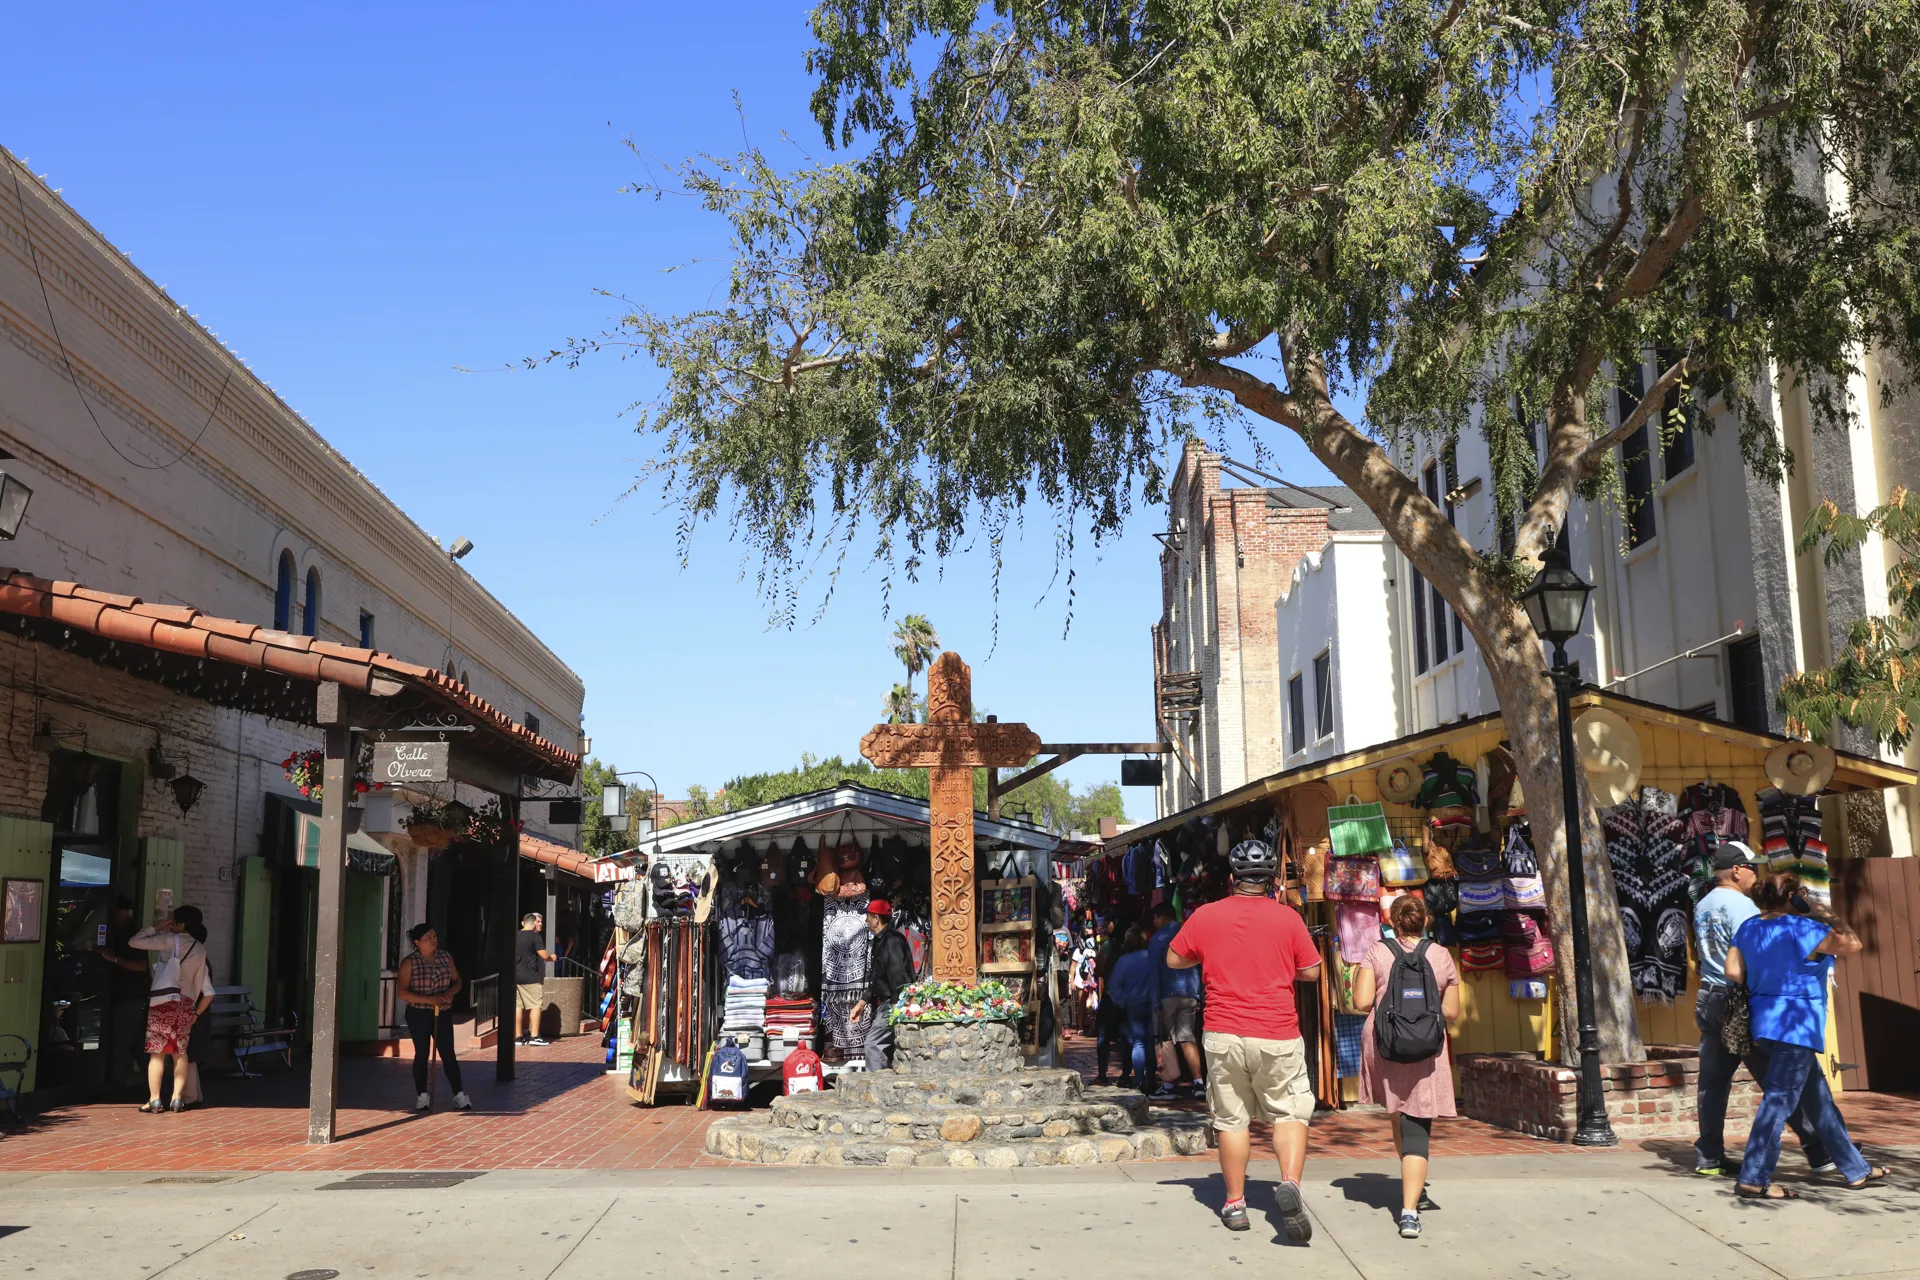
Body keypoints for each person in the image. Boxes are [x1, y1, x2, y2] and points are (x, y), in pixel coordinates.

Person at [1167, 839, 1323, 1242]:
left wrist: (1207, 955)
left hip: (1223, 1033)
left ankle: (1235, 1203)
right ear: (1272, 880)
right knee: (1289, 1113)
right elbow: (1311, 972)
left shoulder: (1206, 915)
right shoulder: (1288, 919)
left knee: (1232, 1120)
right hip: (1277, 1033)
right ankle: (1289, 1182)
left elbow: (1173, 958)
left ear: (1233, 879)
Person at [1727, 874, 1884, 1199]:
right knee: (1779, 1100)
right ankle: (1753, 1177)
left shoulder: (1748, 928)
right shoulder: (1803, 928)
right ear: (1792, 897)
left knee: (1819, 1100)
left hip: (1765, 1023)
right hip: (1797, 1025)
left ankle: (1856, 1170)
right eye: (1799, 892)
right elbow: (1854, 944)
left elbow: (1733, 972)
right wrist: (1824, 911)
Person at [1691, 842, 1832, 1178]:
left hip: (1708, 997)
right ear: (1736, 870)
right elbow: (1756, 954)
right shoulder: (1742, 907)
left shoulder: (1703, 904)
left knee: (1712, 1082)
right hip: (1739, 1001)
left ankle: (1709, 1156)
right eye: (1751, 867)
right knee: (1781, 1078)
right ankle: (1818, 1151)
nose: (1755, 874)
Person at [1351, 895, 1461, 1239]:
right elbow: (1453, 1013)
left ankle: (1412, 1185)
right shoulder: (1441, 955)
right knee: (1417, 1123)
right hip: (1425, 1048)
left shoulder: (1377, 951)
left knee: (1399, 1113)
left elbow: (1361, 1002)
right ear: (1424, 920)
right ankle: (1410, 1211)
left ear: (1392, 921)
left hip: (1385, 1045)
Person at [128, 905, 216, 1113]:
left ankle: (155, 1099)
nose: (169, 924)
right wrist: (196, 1013)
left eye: (172, 921)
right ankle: (177, 1099)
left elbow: (134, 942)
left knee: (157, 1053)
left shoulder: (171, 941)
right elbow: (209, 991)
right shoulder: (200, 949)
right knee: (180, 1052)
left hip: (163, 1003)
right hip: (186, 1004)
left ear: (181, 924)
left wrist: (154, 927)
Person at [397, 923, 472, 1112]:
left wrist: (450, 992)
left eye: (434, 936)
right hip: (418, 1012)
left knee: (448, 1053)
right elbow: (402, 992)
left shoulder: (445, 957)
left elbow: (457, 981)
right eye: (428, 938)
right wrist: (429, 1000)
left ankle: (459, 1095)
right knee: (422, 1053)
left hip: (443, 1011)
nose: (433, 940)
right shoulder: (410, 962)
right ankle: (422, 1095)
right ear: (417, 942)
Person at [850, 899, 915, 1070]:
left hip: (891, 1003)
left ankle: (874, 1089)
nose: (866, 921)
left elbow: (897, 975)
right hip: (886, 1002)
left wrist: (896, 1005)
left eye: (868, 917)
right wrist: (861, 1003)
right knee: (887, 1048)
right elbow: (877, 977)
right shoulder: (880, 941)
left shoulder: (892, 941)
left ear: (876, 918)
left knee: (873, 1044)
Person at [1148, 902, 1205, 1099]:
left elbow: (1154, 971)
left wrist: (1155, 1002)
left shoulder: (1158, 938)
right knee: (1187, 1037)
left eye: (1154, 919)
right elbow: (1199, 966)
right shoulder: (1187, 932)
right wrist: (1200, 994)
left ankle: (1169, 1084)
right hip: (1190, 992)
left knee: (1166, 1039)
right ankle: (1198, 1083)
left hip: (1167, 994)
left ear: (1162, 918)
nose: (1153, 923)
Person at [96, 896, 150, 1092]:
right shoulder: (120, 933)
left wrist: (114, 959)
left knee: (120, 1039)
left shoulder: (133, 935)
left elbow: (141, 966)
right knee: (136, 1042)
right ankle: (154, 1082)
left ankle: (114, 1084)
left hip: (132, 996)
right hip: (129, 995)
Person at [514, 912, 558, 1046]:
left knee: (518, 1007)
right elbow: (544, 956)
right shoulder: (535, 937)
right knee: (536, 1005)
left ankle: (518, 1037)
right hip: (530, 977)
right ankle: (534, 1037)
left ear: (523, 923)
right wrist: (553, 958)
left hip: (515, 976)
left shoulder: (515, 935)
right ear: (533, 924)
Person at [1093, 919, 1126, 1085]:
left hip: (1110, 994)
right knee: (1127, 1036)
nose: (1108, 924)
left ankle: (1102, 1073)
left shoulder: (1108, 946)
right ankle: (1127, 1074)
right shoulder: (1131, 947)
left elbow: (1099, 968)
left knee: (1103, 1035)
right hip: (1129, 997)